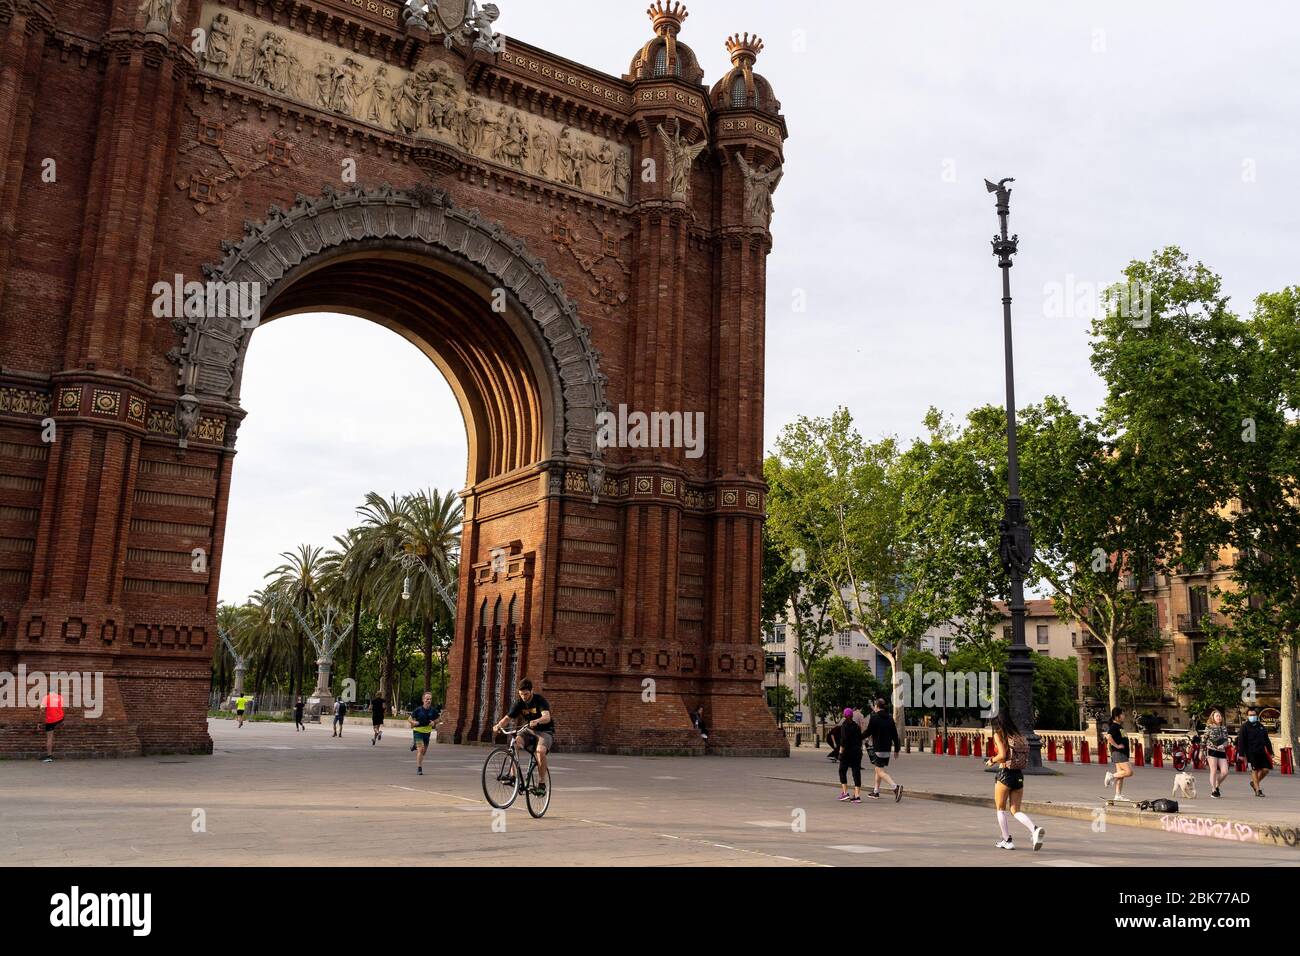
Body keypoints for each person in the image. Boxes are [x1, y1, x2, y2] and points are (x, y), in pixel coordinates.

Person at [985, 710, 1045, 851]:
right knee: (1015, 810)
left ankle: (1007, 840)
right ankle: (1034, 829)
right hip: (1018, 774)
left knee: (1000, 809)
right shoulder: (1018, 735)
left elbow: (1002, 755)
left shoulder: (999, 734)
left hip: (1005, 774)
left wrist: (991, 761)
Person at [491, 678, 554, 791]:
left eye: (526, 694)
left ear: (532, 691)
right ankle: (513, 776)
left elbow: (547, 717)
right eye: (521, 694)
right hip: (529, 730)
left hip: (545, 731)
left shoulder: (539, 700)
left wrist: (538, 721)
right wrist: (498, 725)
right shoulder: (519, 703)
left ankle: (541, 783)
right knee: (514, 744)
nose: (524, 697)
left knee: (540, 752)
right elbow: (507, 718)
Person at [864, 698, 903, 801]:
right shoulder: (890, 718)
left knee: (879, 770)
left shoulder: (874, 717)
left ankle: (895, 787)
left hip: (878, 748)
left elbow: (868, 732)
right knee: (878, 769)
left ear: (876, 706)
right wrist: (897, 749)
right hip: (887, 748)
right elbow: (895, 735)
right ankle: (876, 792)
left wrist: (857, 737)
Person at [1237, 706, 1274, 797]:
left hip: (1261, 751)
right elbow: (1241, 741)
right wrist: (1241, 754)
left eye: (1253, 715)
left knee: (1265, 770)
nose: (1252, 716)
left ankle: (1254, 783)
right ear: (1247, 716)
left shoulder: (1261, 726)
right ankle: (1258, 790)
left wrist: (1271, 752)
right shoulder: (1244, 727)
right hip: (1251, 752)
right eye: (1250, 715)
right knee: (1254, 770)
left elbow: (1266, 740)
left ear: (1256, 715)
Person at [1103, 707, 1133, 801]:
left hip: (1121, 753)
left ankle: (1118, 795)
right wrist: (1116, 745)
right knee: (1129, 772)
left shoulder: (1119, 726)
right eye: (1122, 714)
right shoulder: (1114, 726)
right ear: (1117, 717)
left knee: (1121, 775)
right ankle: (1110, 776)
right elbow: (1108, 736)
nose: (1124, 716)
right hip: (1119, 753)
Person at [1202, 707, 1231, 798]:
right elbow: (1204, 739)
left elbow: (1227, 740)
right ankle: (1214, 790)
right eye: (1217, 716)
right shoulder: (1209, 727)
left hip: (1221, 751)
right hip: (1212, 750)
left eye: (1220, 716)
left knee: (1225, 772)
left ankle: (1217, 784)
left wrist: (1223, 745)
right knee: (1213, 770)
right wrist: (1201, 751)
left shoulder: (1224, 728)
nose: (1219, 717)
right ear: (1213, 718)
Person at [836, 708, 864, 803]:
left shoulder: (844, 726)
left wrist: (840, 752)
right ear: (852, 716)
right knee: (856, 772)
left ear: (844, 716)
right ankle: (857, 795)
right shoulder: (856, 726)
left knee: (842, 770)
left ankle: (845, 793)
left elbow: (843, 741)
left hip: (847, 752)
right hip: (856, 751)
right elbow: (860, 739)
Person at [409, 691, 438, 775]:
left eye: (430, 699)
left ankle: (415, 745)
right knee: (421, 749)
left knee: (424, 752)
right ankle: (419, 768)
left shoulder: (433, 710)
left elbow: (439, 719)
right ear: (423, 700)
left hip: (427, 733)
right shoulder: (418, 710)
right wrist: (413, 722)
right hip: (418, 731)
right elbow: (409, 719)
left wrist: (434, 722)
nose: (428, 700)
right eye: (427, 699)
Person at [40, 689, 64, 763]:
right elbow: (62, 708)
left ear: (49, 691)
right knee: (54, 736)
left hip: (51, 720)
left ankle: (49, 757)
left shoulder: (46, 698)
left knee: (49, 738)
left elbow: (42, 710)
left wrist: (40, 722)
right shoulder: (60, 697)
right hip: (60, 719)